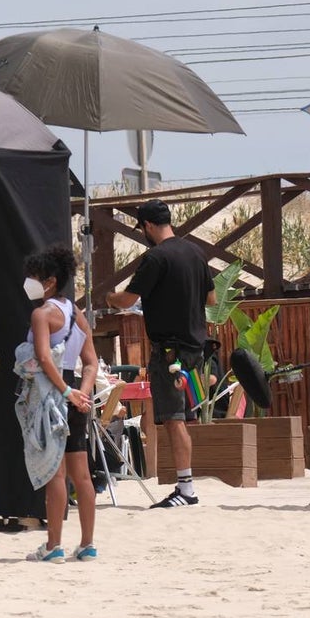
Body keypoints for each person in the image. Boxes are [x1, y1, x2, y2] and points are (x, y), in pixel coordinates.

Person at [106, 199, 214, 509]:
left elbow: (127, 300)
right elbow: (211, 297)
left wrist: (110, 297)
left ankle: (186, 489)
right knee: (182, 418)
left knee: (173, 419)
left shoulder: (155, 258)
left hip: (169, 354)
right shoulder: (195, 252)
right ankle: (186, 485)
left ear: (148, 226)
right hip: (196, 348)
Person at [21, 245, 100, 562]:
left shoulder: (42, 314)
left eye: (34, 278)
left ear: (49, 281)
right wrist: (82, 393)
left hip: (50, 394)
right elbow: (91, 361)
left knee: (55, 473)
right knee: (81, 475)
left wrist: (66, 392)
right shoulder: (78, 316)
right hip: (76, 394)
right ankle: (88, 543)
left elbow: (42, 356)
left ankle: (53, 545)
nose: (29, 283)